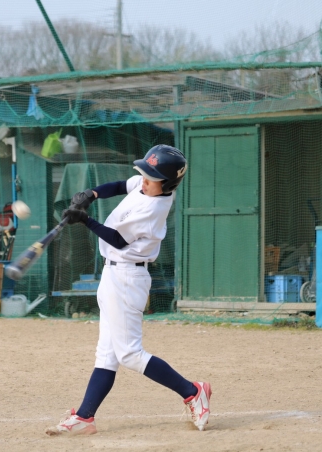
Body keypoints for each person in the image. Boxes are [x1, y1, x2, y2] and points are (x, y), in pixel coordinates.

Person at [45, 145, 211, 436]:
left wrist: (85, 220)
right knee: (106, 354)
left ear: (168, 184)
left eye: (151, 178)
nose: (144, 181)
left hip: (127, 277)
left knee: (130, 354)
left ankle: (192, 391)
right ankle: (84, 417)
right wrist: (92, 194)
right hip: (112, 274)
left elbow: (119, 240)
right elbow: (122, 185)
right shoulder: (148, 186)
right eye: (144, 174)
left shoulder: (153, 207)